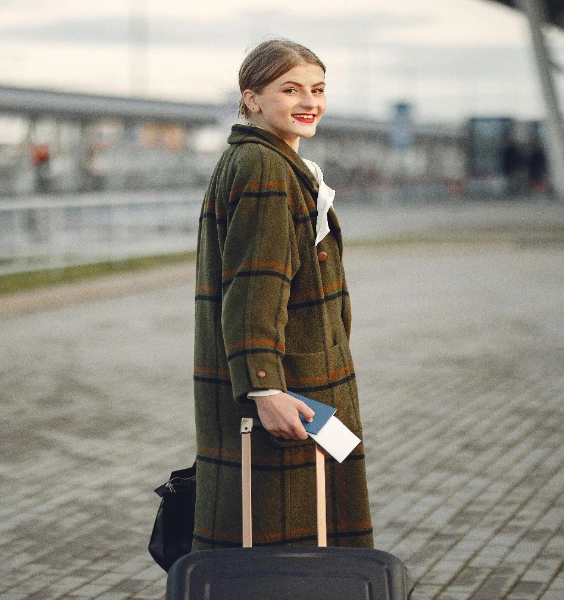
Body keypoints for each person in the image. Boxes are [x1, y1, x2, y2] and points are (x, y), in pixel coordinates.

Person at [192, 39, 373, 550]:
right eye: (290, 89)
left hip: (299, 380)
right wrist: (266, 389)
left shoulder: (265, 160)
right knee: (284, 545)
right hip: (293, 386)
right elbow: (255, 287)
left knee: (283, 535)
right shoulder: (266, 168)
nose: (308, 102)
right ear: (251, 98)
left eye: (317, 89)